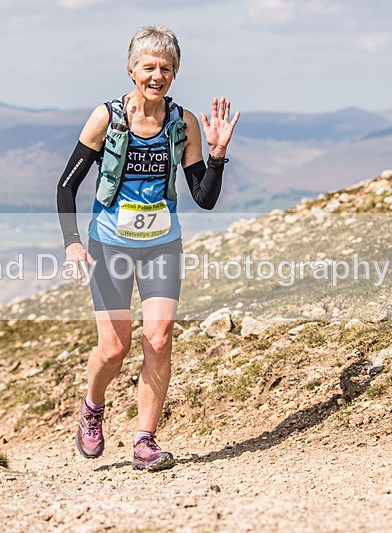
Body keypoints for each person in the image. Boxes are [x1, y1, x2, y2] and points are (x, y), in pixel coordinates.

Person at [56, 25, 239, 472]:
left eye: (167, 68)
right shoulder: (107, 118)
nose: (158, 76)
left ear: (175, 73)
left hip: (162, 245)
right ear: (131, 70)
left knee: (159, 339)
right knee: (114, 349)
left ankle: (145, 440)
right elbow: (66, 186)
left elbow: (204, 197)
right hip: (109, 245)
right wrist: (73, 243)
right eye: (149, 67)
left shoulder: (183, 122)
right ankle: (93, 407)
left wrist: (216, 154)